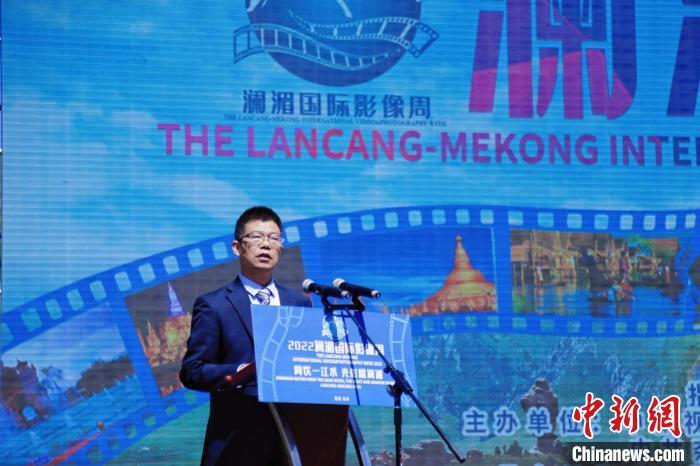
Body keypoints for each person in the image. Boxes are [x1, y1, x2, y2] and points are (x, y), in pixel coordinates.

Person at [179, 206, 347, 466]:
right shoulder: (214, 305)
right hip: (237, 444)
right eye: (256, 237)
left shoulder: (299, 303)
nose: (266, 245)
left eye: (273, 238)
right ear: (237, 247)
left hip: (294, 442)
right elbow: (192, 370)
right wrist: (239, 371)